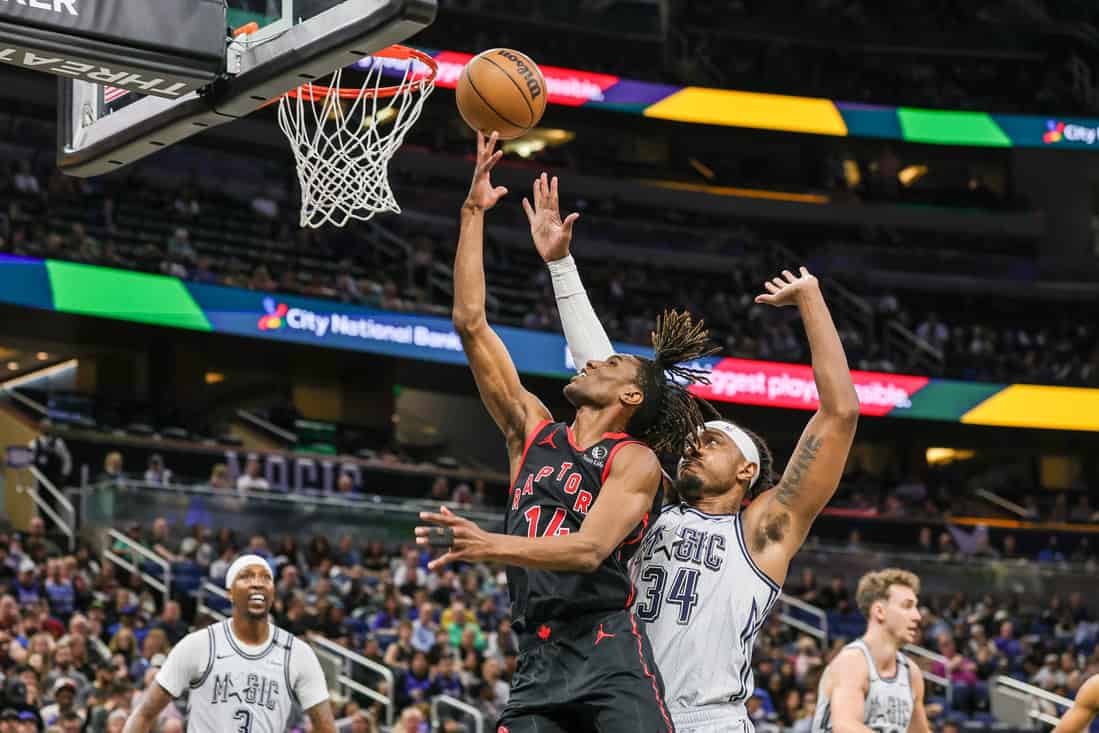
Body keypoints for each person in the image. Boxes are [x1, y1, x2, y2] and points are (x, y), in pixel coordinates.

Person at [529, 175, 861, 733]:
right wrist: (561, 266)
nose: (694, 447)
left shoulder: (765, 529)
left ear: (747, 470)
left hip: (712, 721)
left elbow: (840, 414)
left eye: (713, 443)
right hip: (628, 715)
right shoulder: (650, 501)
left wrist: (811, 299)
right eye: (694, 442)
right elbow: (616, 383)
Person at [415, 133, 717, 733]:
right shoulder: (531, 431)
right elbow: (471, 324)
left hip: (608, 651)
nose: (590, 362)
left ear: (631, 397)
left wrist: (489, 545)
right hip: (537, 658)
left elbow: (588, 550)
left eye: (608, 364)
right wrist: (473, 213)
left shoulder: (635, 463)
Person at [121, 555, 336, 733]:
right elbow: (143, 714)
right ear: (230, 592)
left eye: (266, 578)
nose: (257, 583)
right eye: (246, 577)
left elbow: (326, 728)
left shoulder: (299, 654)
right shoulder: (198, 645)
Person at [810, 569, 930, 733]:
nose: (917, 616)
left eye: (916, 607)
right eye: (907, 606)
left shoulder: (911, 674)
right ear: (880, 611)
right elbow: (845, 727)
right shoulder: (852, 662)